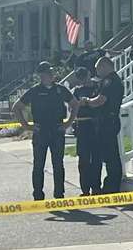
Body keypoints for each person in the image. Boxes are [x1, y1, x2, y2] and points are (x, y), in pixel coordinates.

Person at [14, 61, 77, 200]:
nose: (51, 75)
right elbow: (16, 107)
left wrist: (68, 122)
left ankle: (59, 194)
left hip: (57, 129)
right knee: (38, 164)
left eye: (51, 72)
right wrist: (27, 126)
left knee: (58, 164)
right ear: (41, 75)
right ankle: (38, 195)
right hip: (40, 130)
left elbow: (74, 104)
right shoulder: (35, 91)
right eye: (48, 73)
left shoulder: (60, 89)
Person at [83, 56, 125, 194]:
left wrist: (87, 101)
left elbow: (100, 100)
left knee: (110, 156)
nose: (97, 72)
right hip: (106, 121)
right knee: (107, 155)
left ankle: (112, 187)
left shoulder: (110, 81)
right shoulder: (111, 80)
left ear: (104, 66)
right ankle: (109, 185)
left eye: (97, 69)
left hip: (108, 122)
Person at [70, 67, 102, 196]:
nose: (83, 79)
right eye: (80, 77)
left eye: (84, 75)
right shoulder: (77, 91)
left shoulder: (98, 87)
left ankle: (96, 187)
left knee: (96, 158)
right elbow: (72, 106)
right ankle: (85, 189)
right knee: (83, 159)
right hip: (82, 125)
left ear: (89, 74)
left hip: (95, 125)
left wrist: (88, 102)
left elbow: (100, 102)